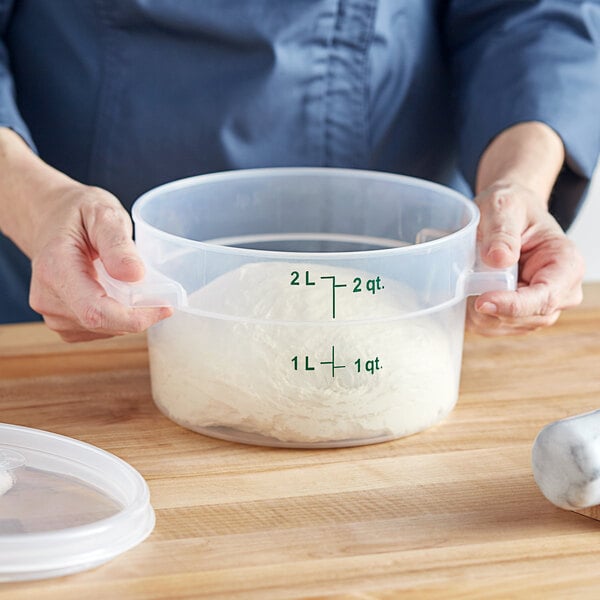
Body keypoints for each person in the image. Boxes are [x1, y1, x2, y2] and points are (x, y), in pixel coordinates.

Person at [0, 1, 598, 342]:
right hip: (83, 278)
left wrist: (516, 185)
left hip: (402, 298)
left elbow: (529, 17)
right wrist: (37, 202)